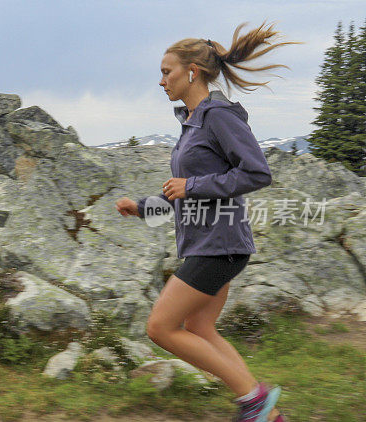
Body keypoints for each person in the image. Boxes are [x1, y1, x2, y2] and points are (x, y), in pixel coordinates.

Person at [115, 22, 300, 422]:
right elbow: (184, 192)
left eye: (167, 72)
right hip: (209, 243)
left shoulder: (218, 115)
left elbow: (256, 173)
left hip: (221, 245)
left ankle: (254, 400)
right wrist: (145, 207)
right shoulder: (193, 121)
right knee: (199, 326)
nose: (161, 80)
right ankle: (265, 413)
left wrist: (192, 185)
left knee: (161, 327)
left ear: (192, 71)